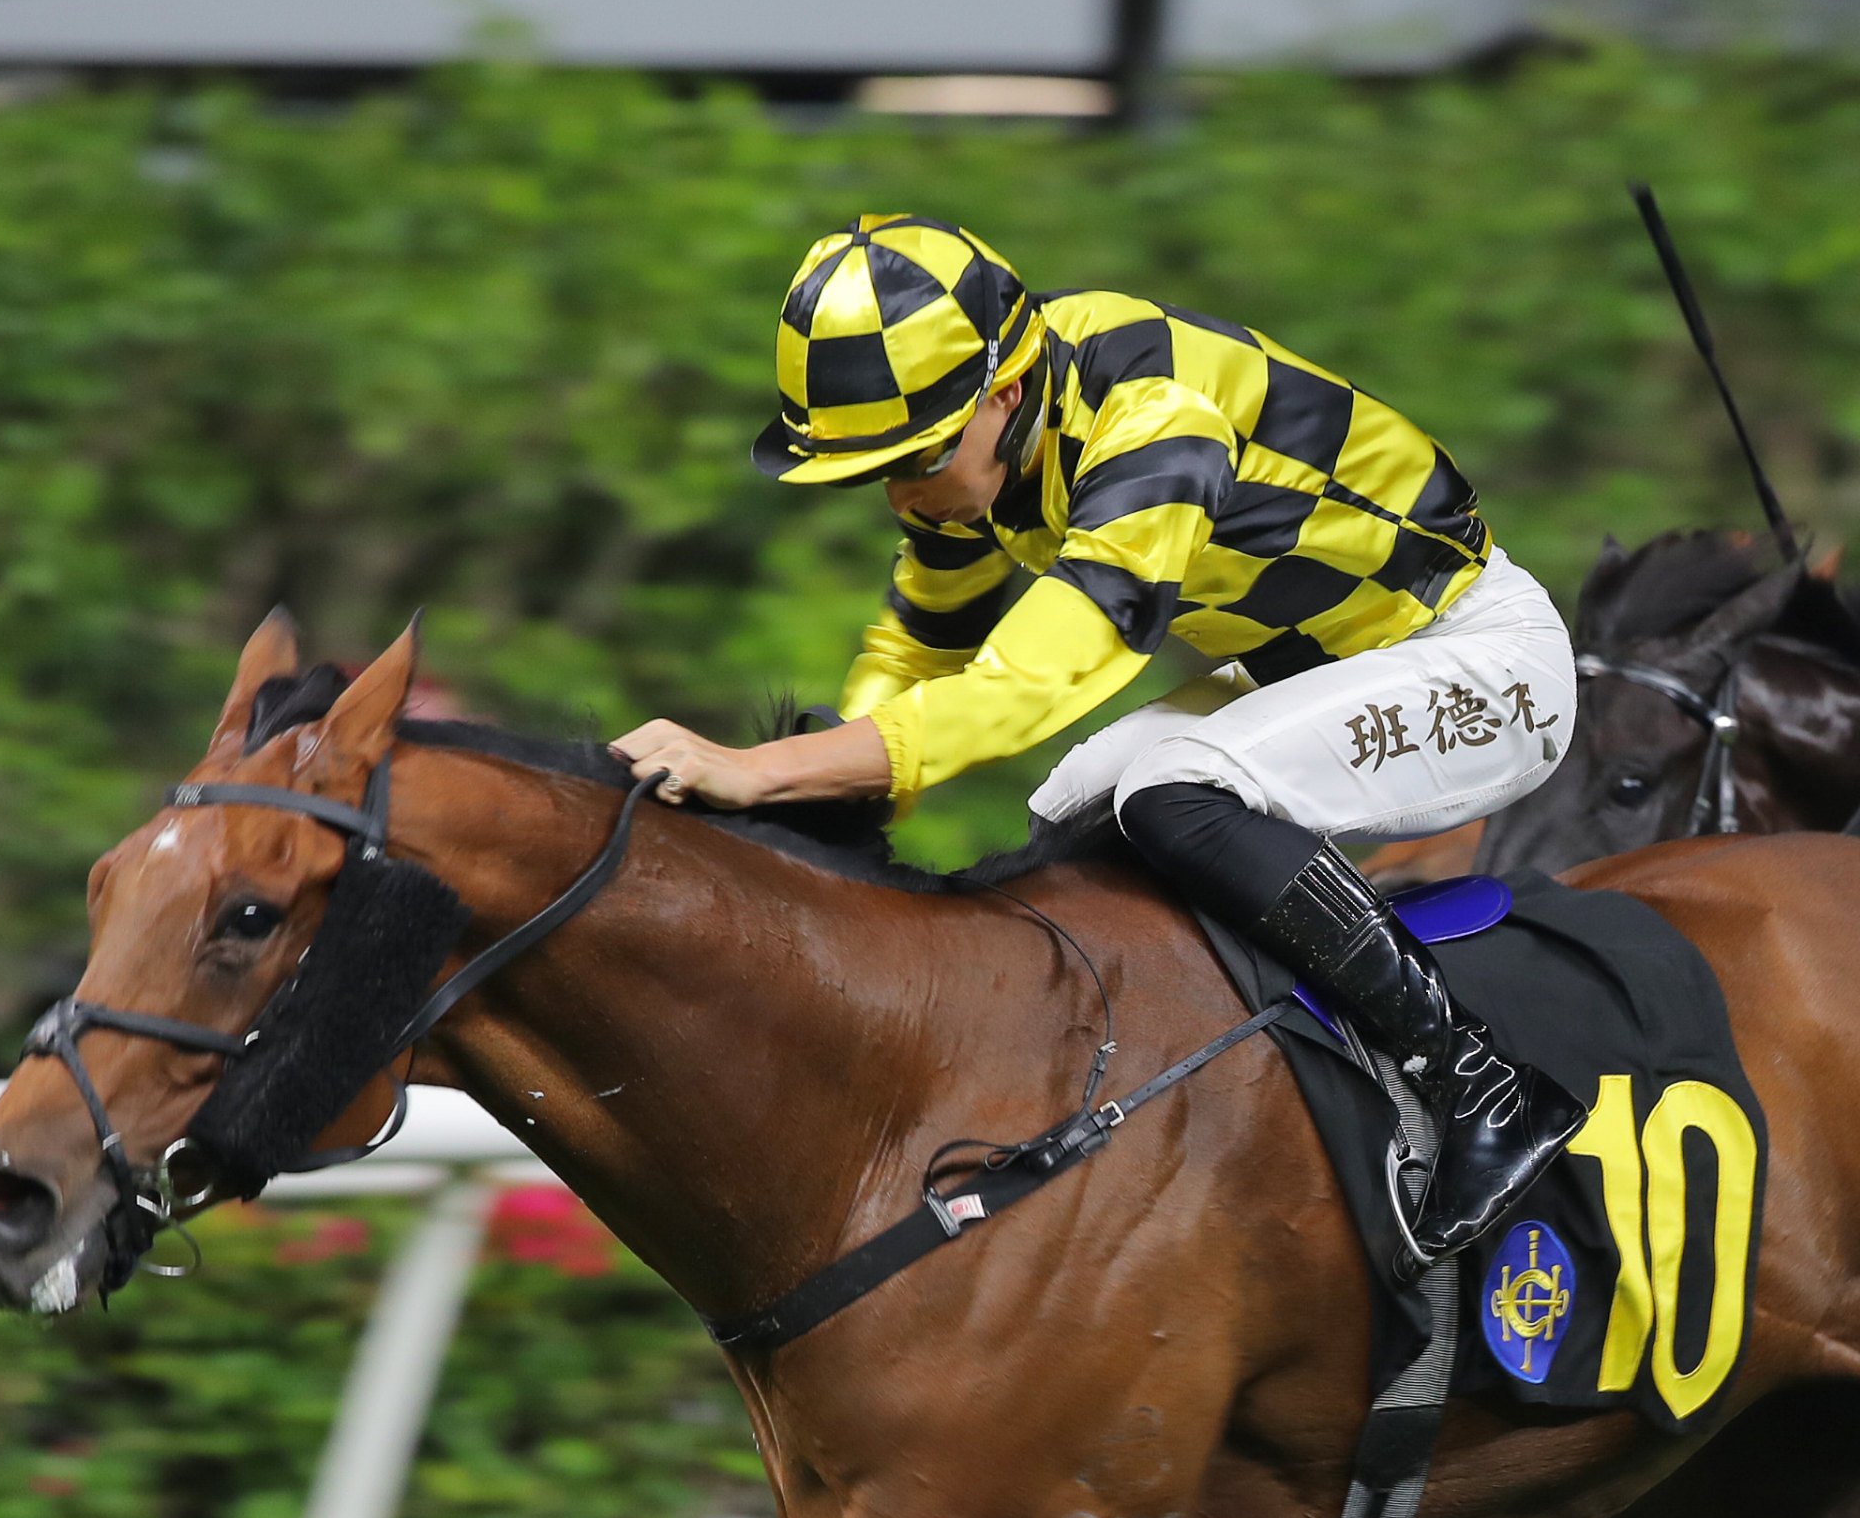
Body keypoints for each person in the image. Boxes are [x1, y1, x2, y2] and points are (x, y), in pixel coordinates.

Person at [611, 216, 1581, 1262]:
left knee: (1170, 792)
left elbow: (1026, 686)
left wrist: (760, 769)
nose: (904, 494)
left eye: (917, 458)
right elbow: (923, 646)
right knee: (1062, 819)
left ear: (1003, 396)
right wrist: (835, 793)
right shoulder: (986, 437)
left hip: (1482, 661)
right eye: (873, 472)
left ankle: (1483, 1085)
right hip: (1328, 660)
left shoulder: (1157, 423)